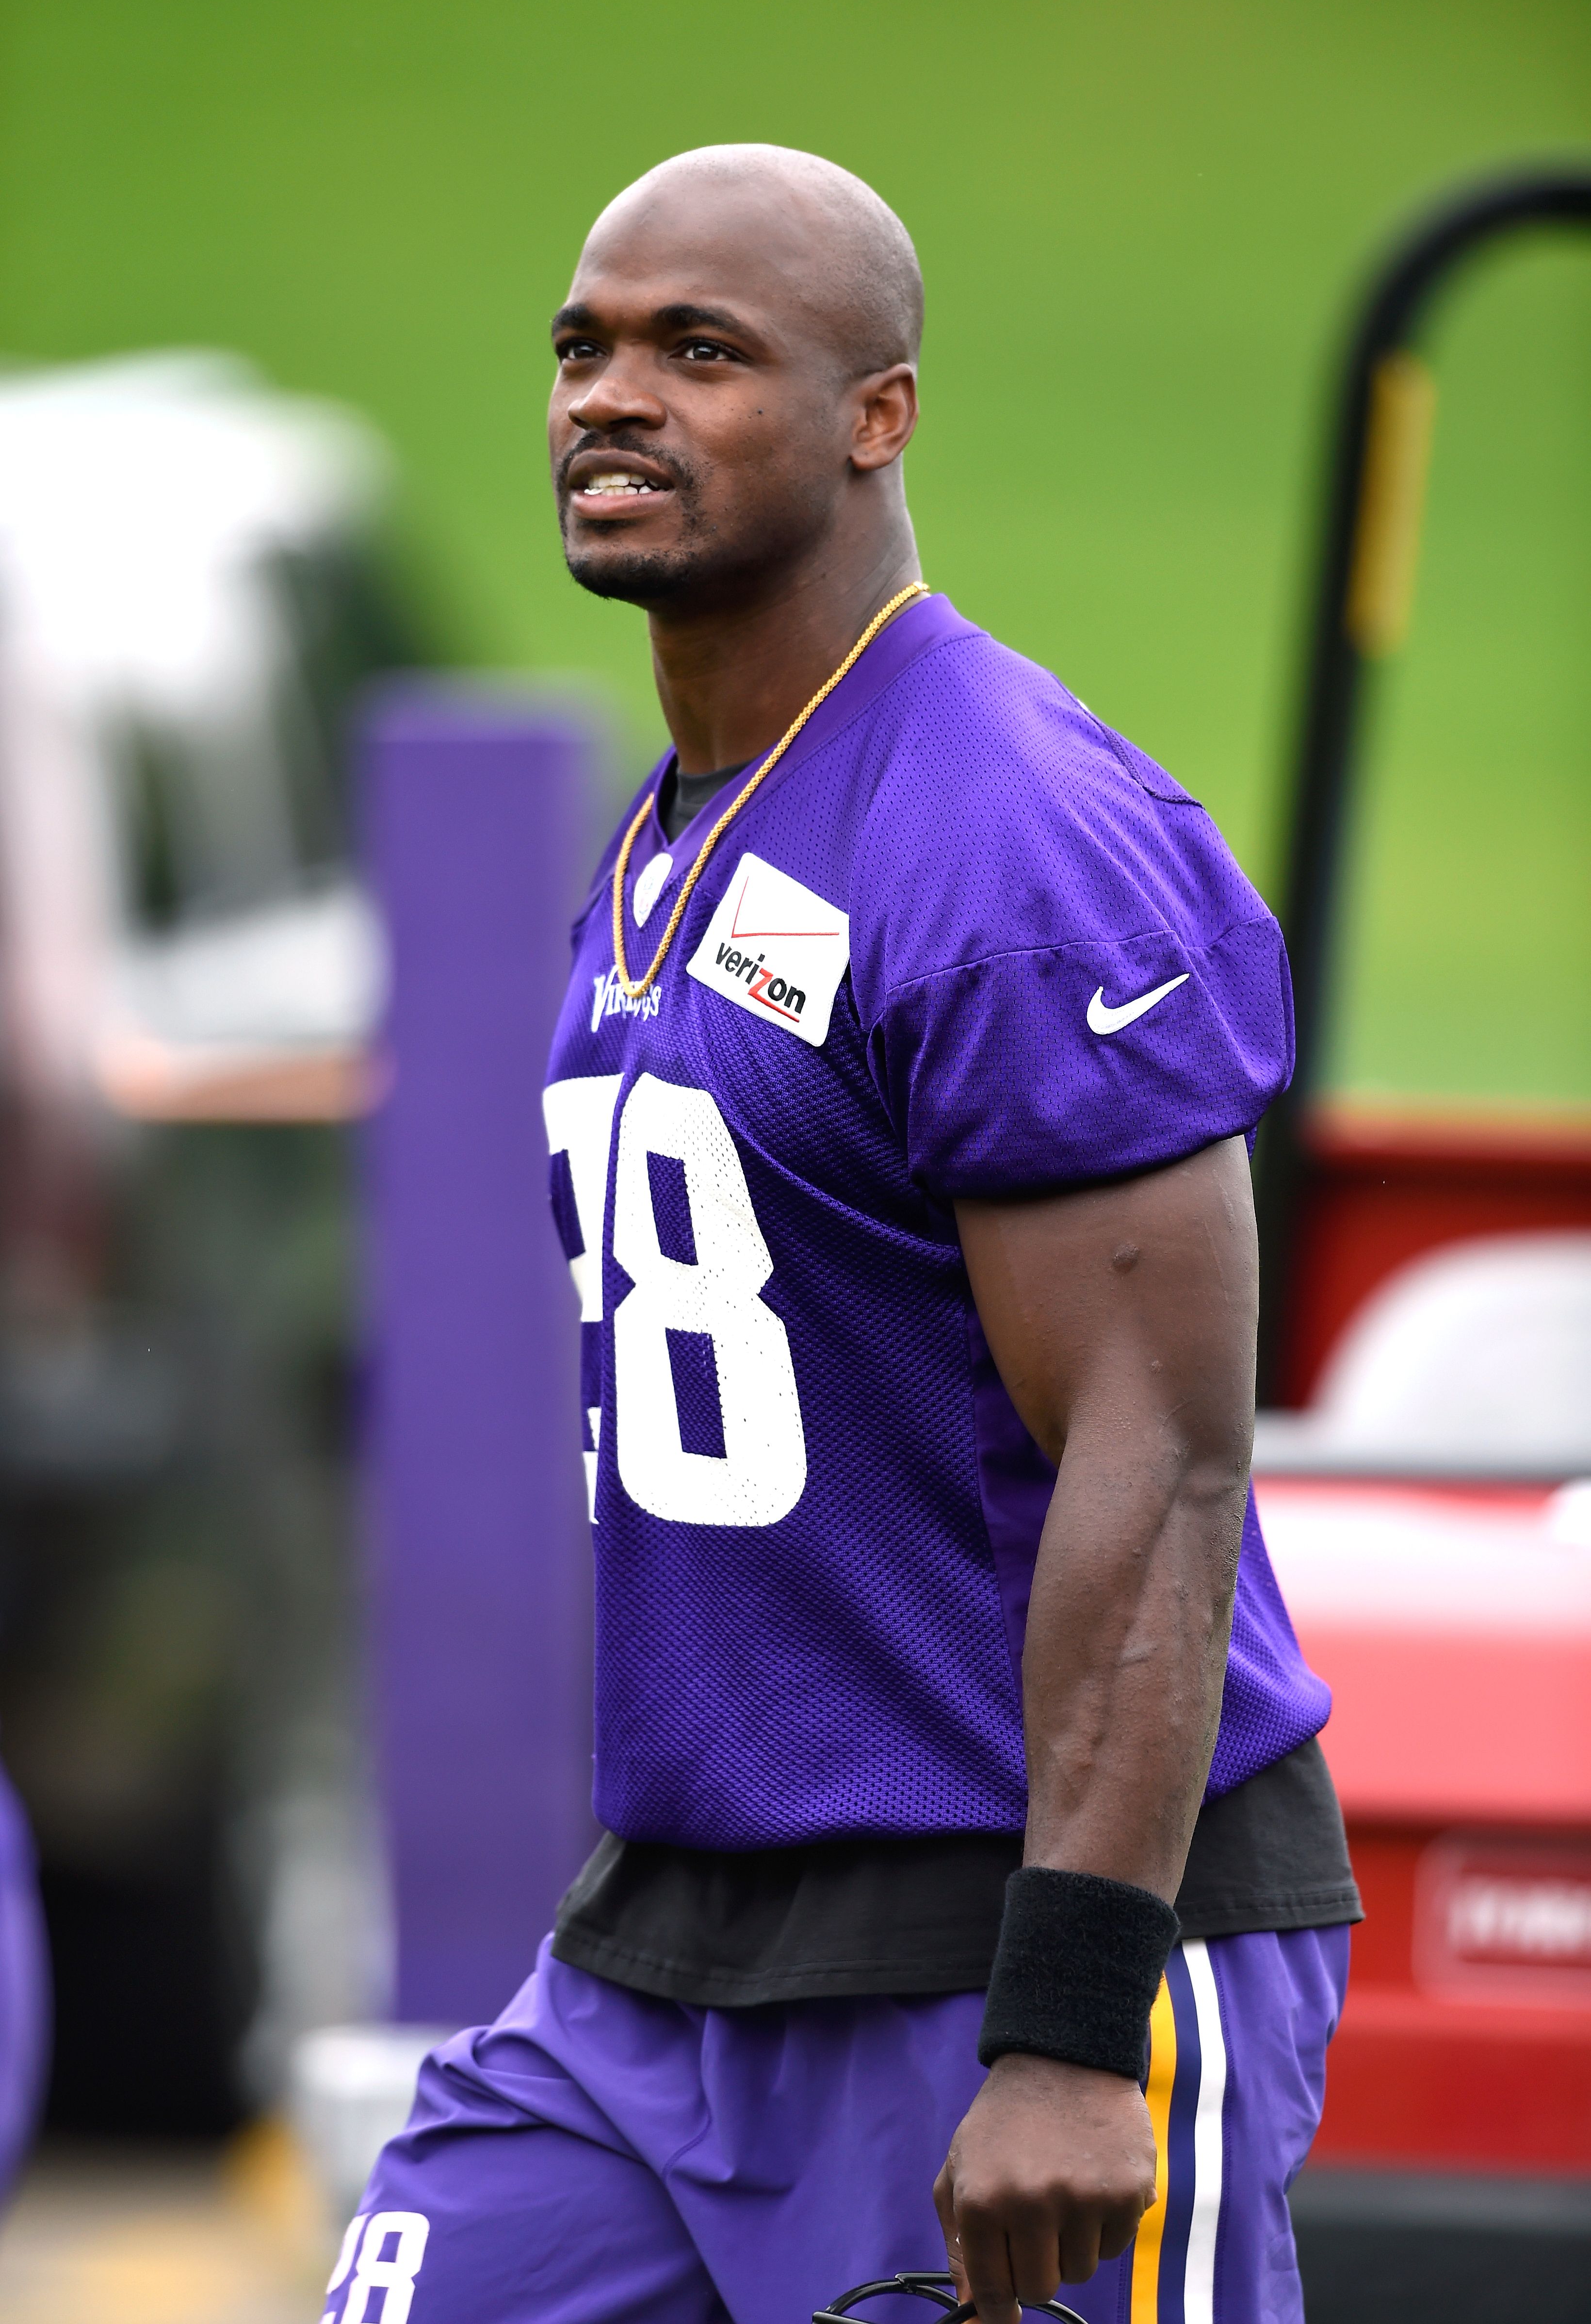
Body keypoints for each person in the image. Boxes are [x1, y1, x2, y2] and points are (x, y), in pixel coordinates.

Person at [324, 145, 1360, 2324]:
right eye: (584, 348)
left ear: (877, 414)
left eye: (702, 352)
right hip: (674, 1939)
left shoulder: (1011, 835)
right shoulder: (688, 815)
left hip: (1003, 1932)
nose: (614, 398)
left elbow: (1162, 1455)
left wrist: (1069, 2021)